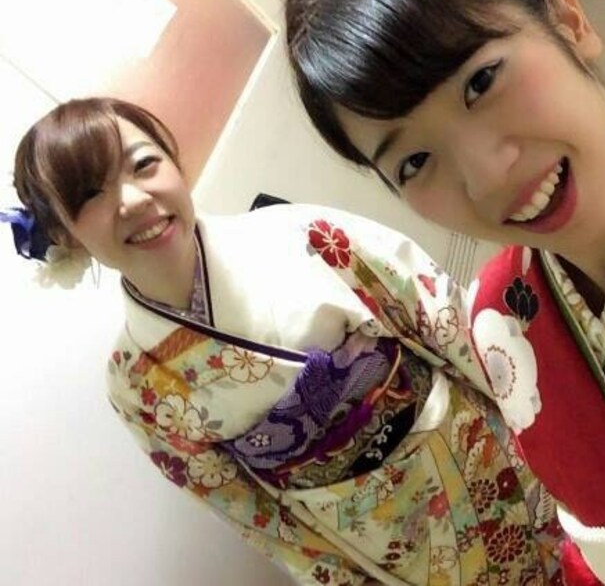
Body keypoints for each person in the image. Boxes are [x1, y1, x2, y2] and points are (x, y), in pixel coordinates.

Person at [3, 96, 565, 585]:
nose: (132, 199)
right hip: (380, 539)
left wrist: (542, 430)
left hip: (477, 449)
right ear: (65, 234)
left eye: (144, 164)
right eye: (91, 195)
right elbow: (249, 510)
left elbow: (437, 314)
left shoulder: (297, 233)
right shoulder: (135, 383)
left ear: (173, 160)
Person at [285, 0, 605, 583]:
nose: (487, 177)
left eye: (481, 82)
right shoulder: (498, 315)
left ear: (567, 19)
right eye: (414, 163)